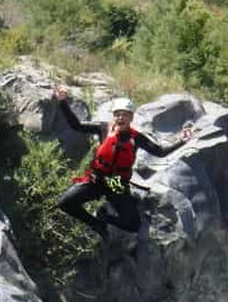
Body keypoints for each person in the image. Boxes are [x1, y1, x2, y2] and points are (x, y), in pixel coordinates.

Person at [55, 87, 193, 239]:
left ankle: (105, 217)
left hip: (115, 183)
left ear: (131, 118)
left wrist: (182, 140)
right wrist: (63, 102)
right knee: (64, 202)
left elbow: (160, 152)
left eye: (125, 115)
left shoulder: (136, 137)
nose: (120, 118)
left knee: (133, 224)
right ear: (113, 117)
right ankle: (96, 224)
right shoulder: (103, 128)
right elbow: (77, 126)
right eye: (117, 114)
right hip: (97, 179)